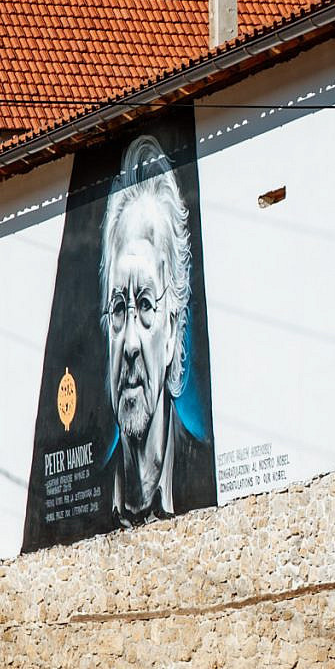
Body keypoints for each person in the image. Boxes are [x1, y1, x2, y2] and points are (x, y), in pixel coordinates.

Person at [97, 136, 211, 525]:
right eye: (118, 308)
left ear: (174, 332)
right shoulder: (88, 500)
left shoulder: (205, 473)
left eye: (145, 305)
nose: (129, 343)